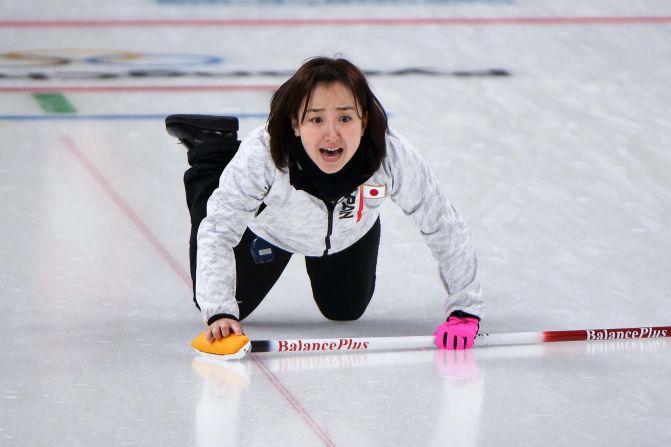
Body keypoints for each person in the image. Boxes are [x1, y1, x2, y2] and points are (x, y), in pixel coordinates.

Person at [166, 56, 483, 350]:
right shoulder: (261, 156)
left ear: (364, 120)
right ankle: (210, 153)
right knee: (218, 301)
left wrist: (464, 309)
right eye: (316, 120)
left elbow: (443, 225)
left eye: (345, 118)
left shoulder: (392, 157)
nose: (332, 134)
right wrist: (220, 310)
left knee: (344, 310)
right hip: (272, 230)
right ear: (295, 124)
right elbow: (219, 230)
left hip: (349, 231)